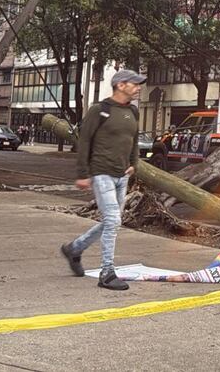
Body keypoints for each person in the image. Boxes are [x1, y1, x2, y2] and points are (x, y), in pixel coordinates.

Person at [60, 69, 146, 290]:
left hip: (122, 175)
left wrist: (134, 164)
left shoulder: (133, 112)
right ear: (120, 85)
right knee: (113, 221)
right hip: (102, 173)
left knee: (111, 221)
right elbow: (85, 141)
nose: (138, 88)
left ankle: (75, 249)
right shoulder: (100, 110)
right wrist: (82, 174)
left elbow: (133, 141)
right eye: (134, 84)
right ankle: (106, 273)